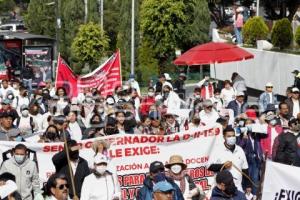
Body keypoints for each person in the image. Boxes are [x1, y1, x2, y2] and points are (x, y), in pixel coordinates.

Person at [208, 126, 249, 191]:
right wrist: (223, 166)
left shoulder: (240, 150)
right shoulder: (217, 150)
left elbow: (245, 169)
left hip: (238, 189)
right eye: (229, 136)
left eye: (233, 136)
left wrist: (248, 186)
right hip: (222, 190)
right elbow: (209, 166)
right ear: (224, 137)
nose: (232, 138)